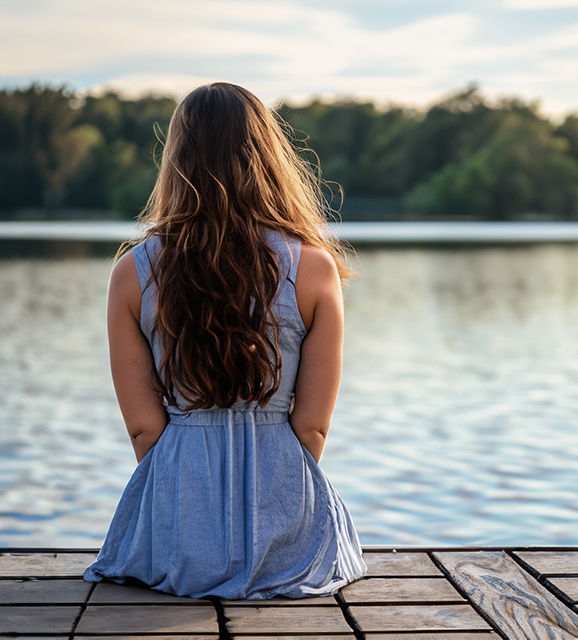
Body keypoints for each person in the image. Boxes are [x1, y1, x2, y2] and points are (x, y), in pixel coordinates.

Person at [84, 82, 367, 599]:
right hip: (288, 524)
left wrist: (186, 518)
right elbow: (313, 427)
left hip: (178, 516)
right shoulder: (314, 269)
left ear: (177, 161)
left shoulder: (132, 272)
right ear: (267, 157)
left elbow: (144, 429)